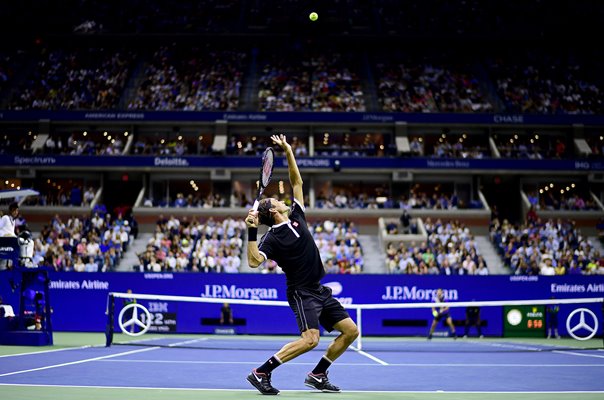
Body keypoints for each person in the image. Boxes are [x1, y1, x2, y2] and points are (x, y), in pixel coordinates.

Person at [245, 134, 359, 395]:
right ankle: (262, 371)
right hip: (301, 291)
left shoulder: (296, 215)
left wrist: (288, 151)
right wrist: (251, 232)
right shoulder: (271, 237)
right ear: (273, 211)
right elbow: (253, 262)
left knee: (351, 331)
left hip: (318, 289)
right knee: (311, 339)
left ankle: (318, 374)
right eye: (275, 200)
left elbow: (296, 181)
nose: (280, 198)